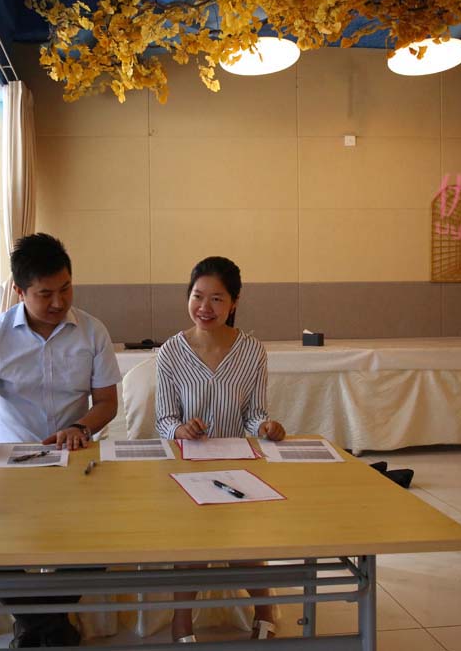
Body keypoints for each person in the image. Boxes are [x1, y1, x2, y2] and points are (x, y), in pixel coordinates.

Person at [0, 233, 122, 647]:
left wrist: (81, 427)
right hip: (12, 461)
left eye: (65, 288)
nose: (58, 302)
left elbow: (107, 402)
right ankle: (50, 625)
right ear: (20, 291)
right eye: (45, 294)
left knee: (104, 541)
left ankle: (33, 625)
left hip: (76, 458)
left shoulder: (92, 331)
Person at [154, 256, 286, 644]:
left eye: (217, 299)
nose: (205, 307)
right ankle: (182, 621)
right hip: (186, 464)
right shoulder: (171, 352)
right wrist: (180, 429)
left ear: (234, 302)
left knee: (245, 543)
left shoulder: (252, 351)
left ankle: (265, 610)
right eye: (197, 296)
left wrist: (264, 427)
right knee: (190, 543)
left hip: (237, 462)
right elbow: (164, 419)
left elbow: (254, 414)